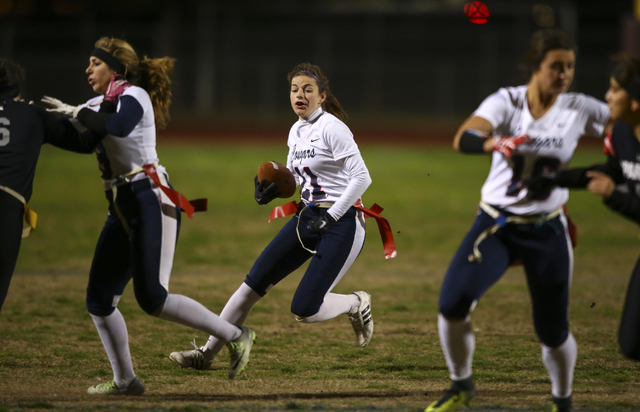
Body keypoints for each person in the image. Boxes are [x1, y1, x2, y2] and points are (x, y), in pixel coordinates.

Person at [41, 37, 255, 395]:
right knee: (99, 300)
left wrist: (76, 112)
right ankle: (126, 381)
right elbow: (80, 141)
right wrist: (33, 122)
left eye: (96, 62)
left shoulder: (133, 96)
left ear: (115, 68)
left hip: (150, 197)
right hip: (122, 204)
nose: (87, 69)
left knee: (152, 297)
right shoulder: (99, 104)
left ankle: (236, 335)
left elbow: (119, 126)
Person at [425, 29, 610, 412]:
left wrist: (623, 157)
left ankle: (563, 401)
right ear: (535, 67)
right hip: (497, 224)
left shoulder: (578, 107)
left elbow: (622, 125)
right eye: (556, 67)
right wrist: (493, 142)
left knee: (552, 330)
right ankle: (461, 384)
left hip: (546, 227)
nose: (564, 75)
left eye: (570, 67)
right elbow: (464, 137)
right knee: (452, 303)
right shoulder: (507, 101)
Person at [168, 62, 375, 370]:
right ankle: (206, 355)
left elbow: (362, 177)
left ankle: (356, 303)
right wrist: (272, 188)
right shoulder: (296, 130)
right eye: (294, 89)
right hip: (307, 217)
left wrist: (330, 217)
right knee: (250, 286)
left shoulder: (333, 127)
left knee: (304, 309)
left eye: (307, 89)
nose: (300, 95)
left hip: (342, 223)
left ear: (322, 96)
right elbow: (294, 180)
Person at [526, 53, 640, 362]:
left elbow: (612, 186)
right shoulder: (623, 134)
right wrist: (552, 180)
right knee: (632, 345)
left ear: (635, 102)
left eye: (616, 90)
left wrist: (614, 196)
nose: (607, 97)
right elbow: (609, 172)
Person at [0, 58, 108, 313]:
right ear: (17, 90)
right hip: (6, 206)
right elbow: (85, 143)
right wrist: (107, 113)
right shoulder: (32, 113)